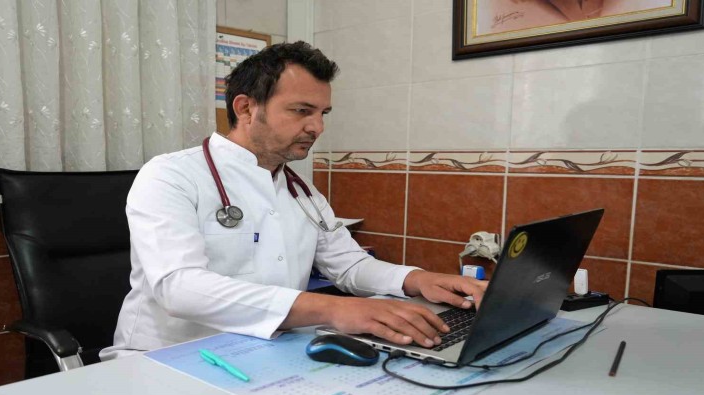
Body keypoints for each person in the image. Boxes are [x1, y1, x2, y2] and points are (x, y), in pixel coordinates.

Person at [100, 41, 487, 360]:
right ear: (246, 108)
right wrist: (333, 309)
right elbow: (179, 287)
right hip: (166, 358)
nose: (317, 127)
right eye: (302, 111)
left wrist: (418, 279)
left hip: (266, 353)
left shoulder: (302, 191)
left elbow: (349, 265)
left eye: (322, 113)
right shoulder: (171, 176)